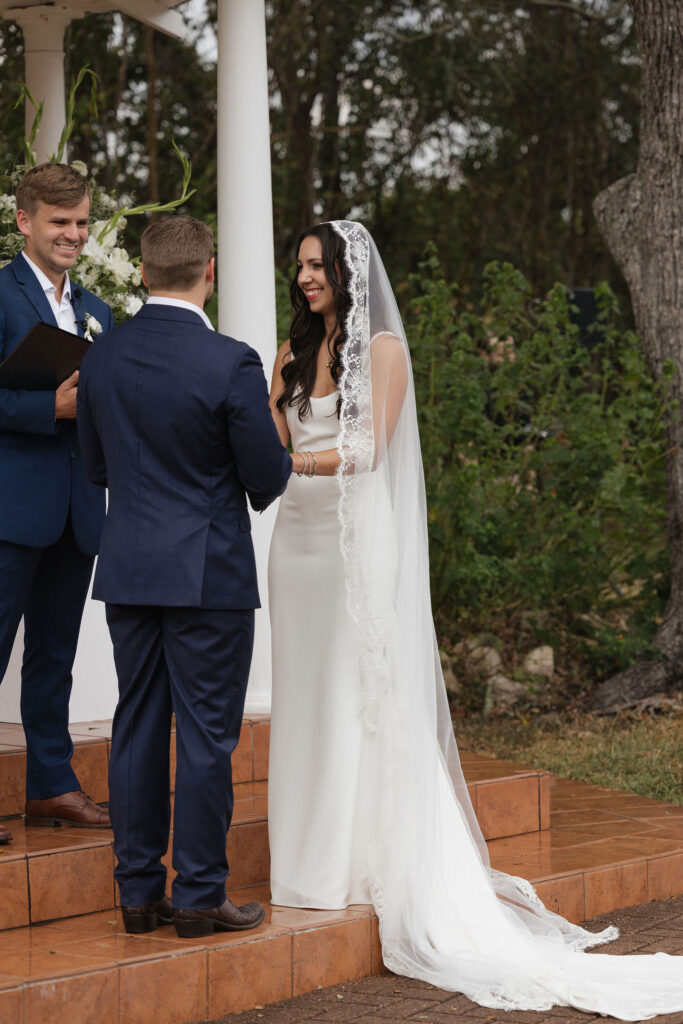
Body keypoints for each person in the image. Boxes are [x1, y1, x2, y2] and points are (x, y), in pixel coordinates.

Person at [267, 220, 683, 1018]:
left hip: (355, 545)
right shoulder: (288, 353)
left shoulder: (383, 350)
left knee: (358, 694)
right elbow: (272, 433)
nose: (307, 278)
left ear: (349, 273)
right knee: (306, 691)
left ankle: (358, 862)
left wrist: (292, 461)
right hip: (296, 544)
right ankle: (306, 864)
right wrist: (265, 427)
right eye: (302, 268)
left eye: (319, 267)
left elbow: (371, 450)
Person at [77, 215, 291, 937]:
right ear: (211, 272)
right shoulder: (229, 360)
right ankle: (199, 895)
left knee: (136, 727)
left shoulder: (101, 358)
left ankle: (137, 895)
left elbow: (97, 467)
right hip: (207, 571)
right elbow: (267, 472)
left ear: (141, 273)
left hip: (130, 564)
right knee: (205, 737)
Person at [0, 162, 114, 842]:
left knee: (54, 655)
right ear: (24, 222)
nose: (73, 234)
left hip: (77, 507)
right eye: (59, 222)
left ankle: (50, 785)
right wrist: (50, 407)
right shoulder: (1, 295)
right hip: (11, 507)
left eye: (80, 222)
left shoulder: (96, 309)